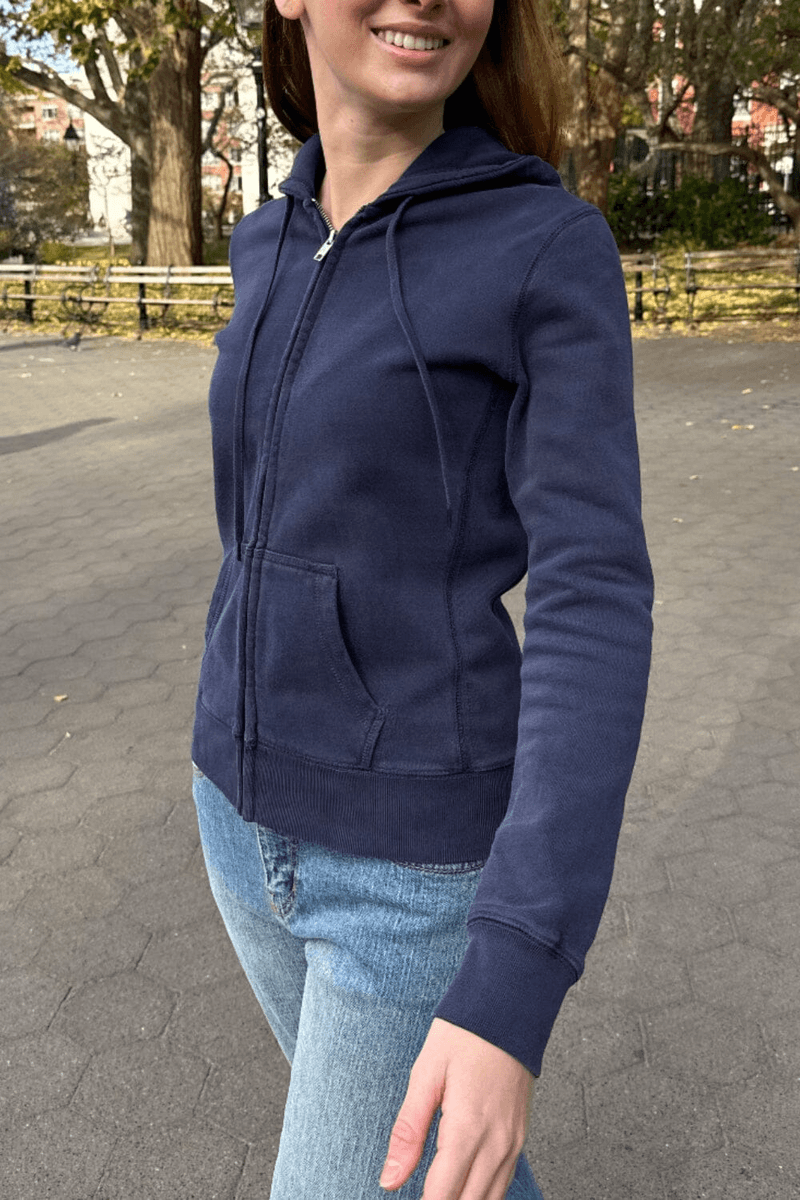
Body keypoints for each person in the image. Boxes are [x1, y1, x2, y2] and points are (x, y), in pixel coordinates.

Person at [190, 1, 653, 1197]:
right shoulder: (267, 236)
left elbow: (593, 595)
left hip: (406, 875)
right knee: (443, 1167)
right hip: (235, 819)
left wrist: (514, 976)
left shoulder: (541, 245)